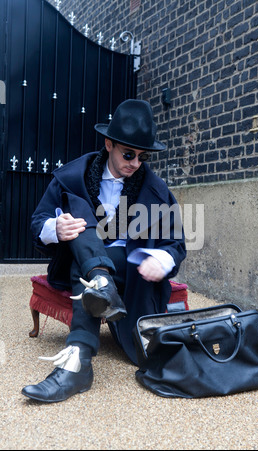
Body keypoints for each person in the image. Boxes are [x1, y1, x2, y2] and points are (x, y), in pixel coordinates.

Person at [21, 99, 186, 403]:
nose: (135, 163)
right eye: (128, 153)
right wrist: (56, 228)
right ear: (108, 144)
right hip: (79, 259)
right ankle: (100, 281)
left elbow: (176, 244)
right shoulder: (73, 178)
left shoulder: (156, 190)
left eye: (142, 156)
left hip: (130, 270)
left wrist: (160, 259)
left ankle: (78, 361)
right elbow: (38, 222)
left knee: (87, 265)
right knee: (78, 221)